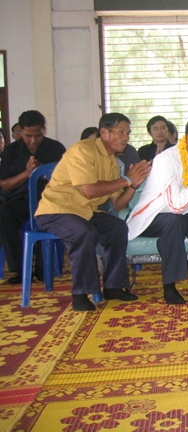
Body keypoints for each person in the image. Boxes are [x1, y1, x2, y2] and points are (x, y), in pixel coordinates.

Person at [35, 113, 151, 311]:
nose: (126, 137)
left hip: (84, 212)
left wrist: (133, 185)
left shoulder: (113, 162)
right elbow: (89, 191)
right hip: (56, 209)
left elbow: (118, 204)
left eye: (128, 133)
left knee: (117, 227)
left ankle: (113, 286)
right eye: (121, 132)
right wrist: (126, 180)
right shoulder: (82, 150)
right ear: (104, 133)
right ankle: (80, 294)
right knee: (83, 232)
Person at [127, 113, 188, 305]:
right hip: (152, 216)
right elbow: (175, 205)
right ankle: (169, 286)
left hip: (180, 215)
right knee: (175, 220)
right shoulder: (167, 160)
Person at [0, 110, 66, 284]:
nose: (33, 140)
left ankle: (44, 268)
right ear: (20, 131)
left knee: (46, 216)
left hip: (48, 200)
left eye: (38, 135)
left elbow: (67, 179)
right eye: (28, 136)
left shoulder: (56, 149)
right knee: (3, 213)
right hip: (20, 201)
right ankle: (21, 269)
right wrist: (27, 173)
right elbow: (4, 185)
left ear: (44, 130)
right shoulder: (10, 152)